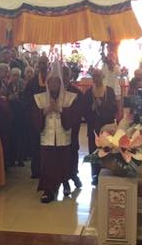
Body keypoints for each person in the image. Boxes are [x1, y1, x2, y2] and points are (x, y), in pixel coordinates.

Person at [31, 73, 80, 203]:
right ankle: (48, 189)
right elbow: (34, 117)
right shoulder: (40, 98)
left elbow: (74, 117)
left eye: (56, 82)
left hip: (62, 135)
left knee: (63, 162)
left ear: (60, 83)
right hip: (47, 136)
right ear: (47, 83)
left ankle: (65, 182)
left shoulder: (69, 97)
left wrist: (60, 109)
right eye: (51, 82)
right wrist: (44, 111)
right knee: (47, 163)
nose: (53, 84)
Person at [80, 68, 117, 185]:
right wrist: (92, 109)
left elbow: (114, 108)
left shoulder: (109, 91)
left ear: (103, 77)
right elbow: (84, 110)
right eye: (94, 76)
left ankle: (106, 174)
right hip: (93, 127)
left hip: (106, 128)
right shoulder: (88, 93)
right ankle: (95, 175)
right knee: (94, 151)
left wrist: (103, 108)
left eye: (98, 76)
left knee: (107, 151)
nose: (96, 79)